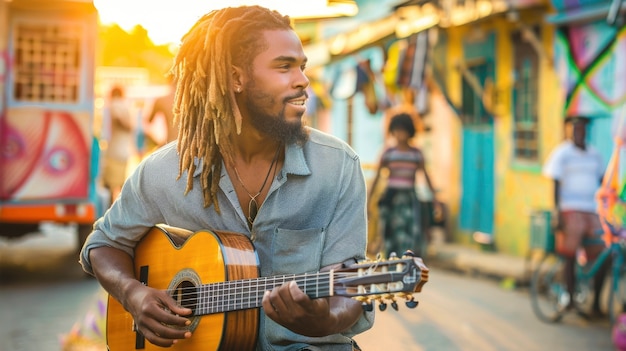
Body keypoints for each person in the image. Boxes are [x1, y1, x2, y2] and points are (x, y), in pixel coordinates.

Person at [80, 5, 374, 350]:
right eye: (284, 66)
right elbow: (103, 244)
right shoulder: (165, 172)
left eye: (302, 66)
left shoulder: (337, 166)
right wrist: (133, 294)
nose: (303, 80)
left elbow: (349, 285)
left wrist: (324, 319)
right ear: (236, 78)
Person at [542, 115, 607, 318]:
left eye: (582, 129)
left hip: (591, 209)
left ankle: (596, 303)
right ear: (570, 131)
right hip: (570, 209)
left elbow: (603, 181)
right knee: (569, 252)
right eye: (575, 129)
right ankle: (569, 298)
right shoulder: (562, 153)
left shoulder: (595, 155)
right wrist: (557, 212)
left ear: (586, 132)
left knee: (604, 252)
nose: (579, 133)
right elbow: (555, 183)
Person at [368, 112, 439, 259]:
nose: (400, 134)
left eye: (404, 130)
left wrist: (436, 200)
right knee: (388, 234)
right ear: (393, 131)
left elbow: (425, 176)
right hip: (391, 198)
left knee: (410, 235)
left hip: (409, 200)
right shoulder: (388, 152)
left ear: (410, 132)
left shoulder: (416, 154)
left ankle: (406, 269)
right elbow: (376, 178)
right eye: (397, 130)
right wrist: (369, 201)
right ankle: (390, 268)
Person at [102, 85, 134, 202]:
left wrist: (126, 125)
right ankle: (121, 213)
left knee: (109, 186)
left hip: (114, 151)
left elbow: (118, 119)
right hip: (124, 151)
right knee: (121, 185)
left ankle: (110, 213)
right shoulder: (126, 106)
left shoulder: (114, 104)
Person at [147, 77, 178, 145]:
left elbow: (149, 120)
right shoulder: (191, 100)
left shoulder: (161, 100)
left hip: (170, 143)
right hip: (189, 146)